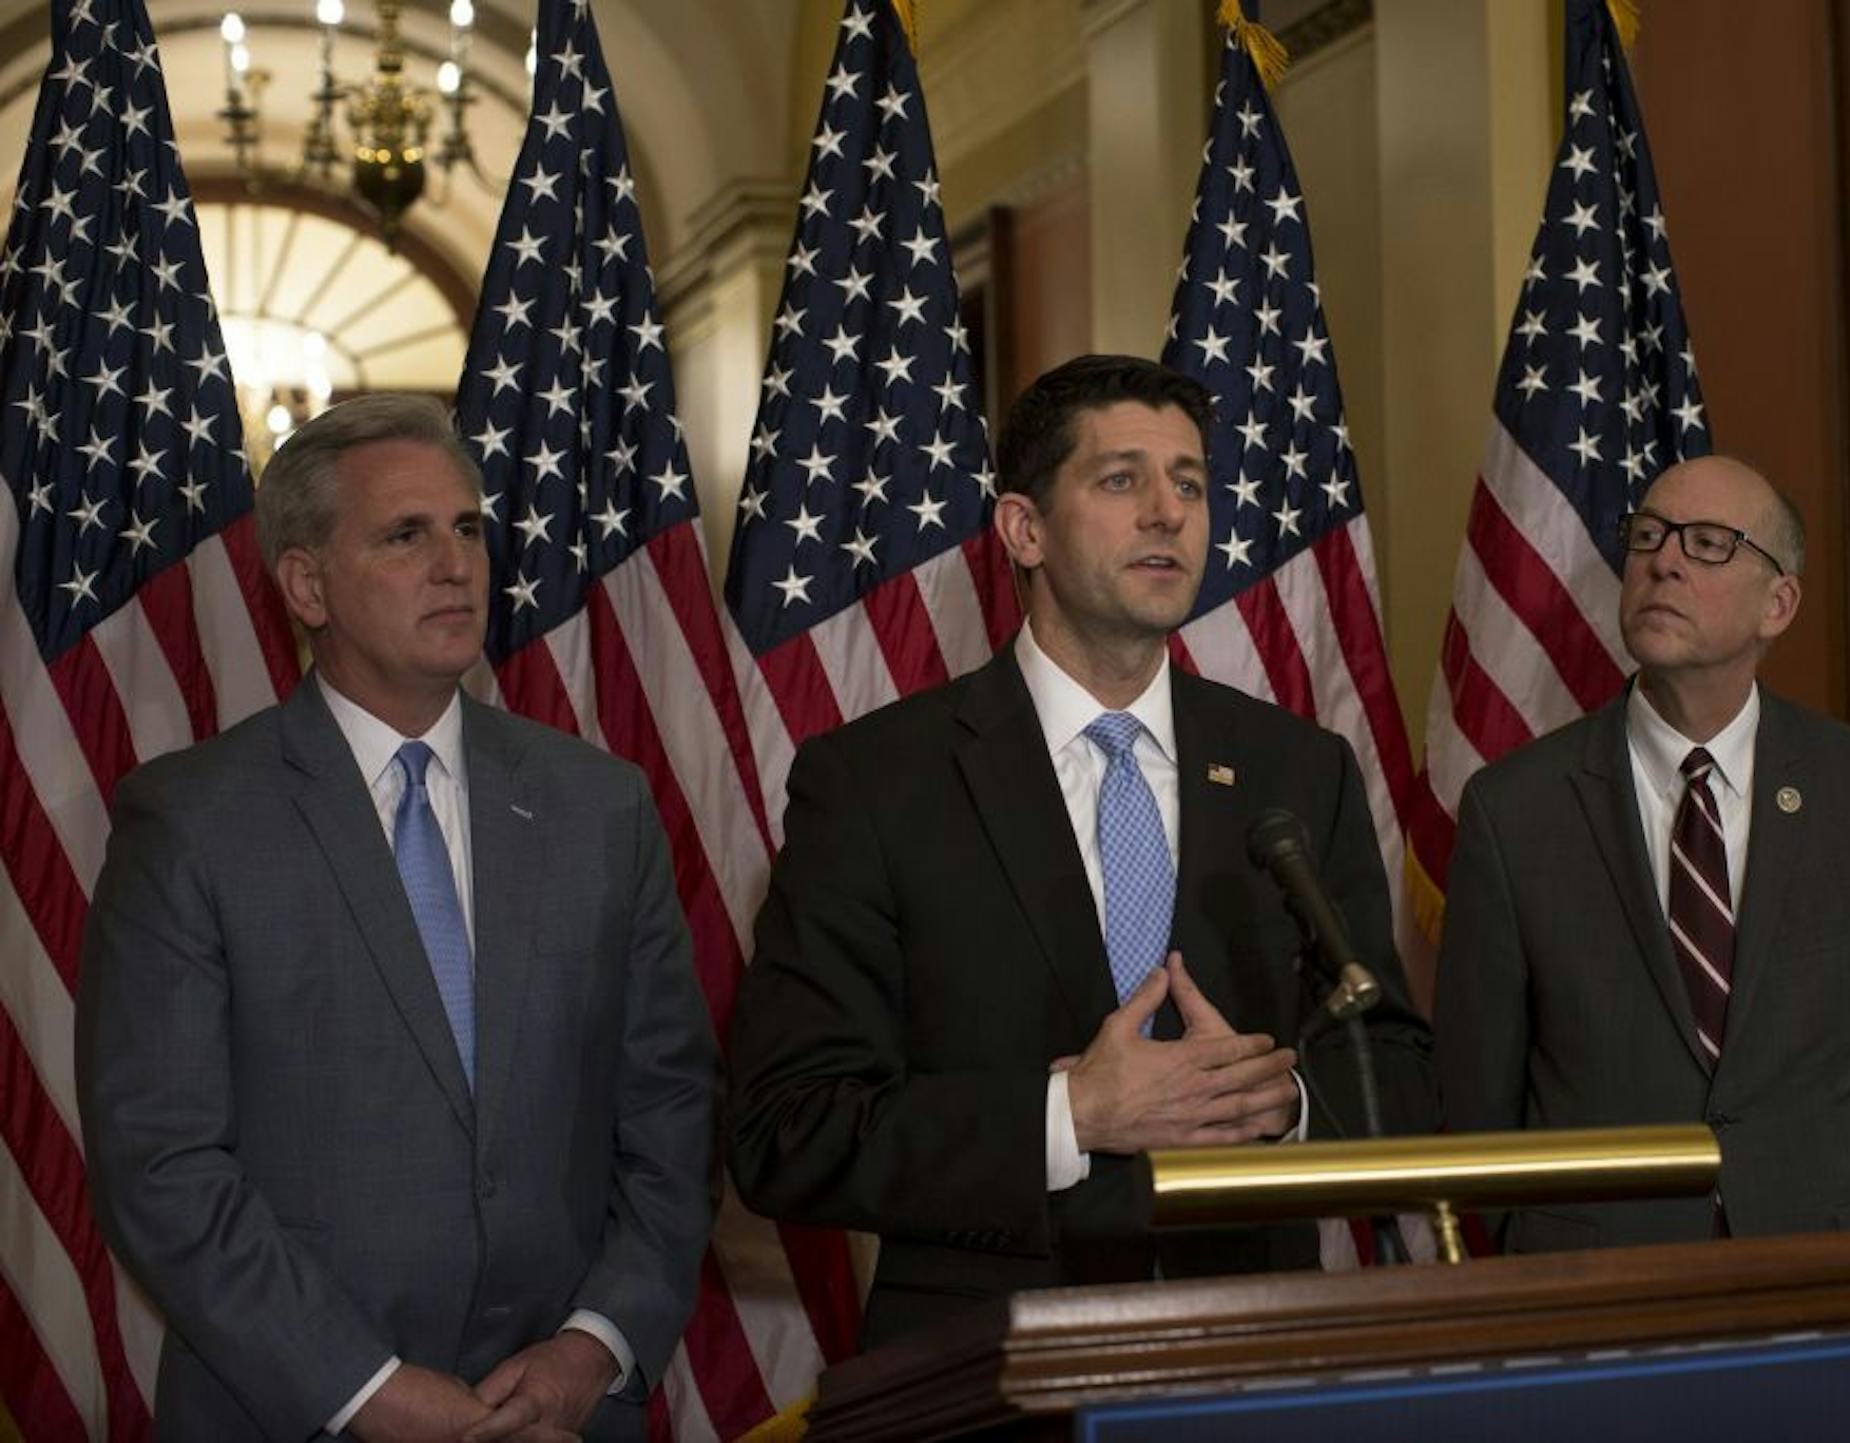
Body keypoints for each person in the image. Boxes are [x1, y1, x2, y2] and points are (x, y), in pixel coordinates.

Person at [727, 354, 1434, 1347]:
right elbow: (787, 1131)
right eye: (1121, 479)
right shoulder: (876, 782)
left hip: (1255, 1350)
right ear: (1024, 528)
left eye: (1189, 483)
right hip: (985, 1365)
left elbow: (1397, 1067)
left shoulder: (1294, 771)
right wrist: (1067, 1116)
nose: (1167, 512)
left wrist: (1286, 1105)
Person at [77, 395, 718, 1442]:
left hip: (563, 1412)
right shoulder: (191, 821)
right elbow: (163, 1163)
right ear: (307, 584)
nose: (456, 562)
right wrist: (364, 1389)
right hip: (295, 1412)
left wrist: (593, 1343)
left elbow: (672, 1114)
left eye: (467, 527)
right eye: (405, 534)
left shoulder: (602, 805)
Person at [1435, 454, 1850, 1250]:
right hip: (1594, 1283)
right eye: (1648, 534)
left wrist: (1849, 1217)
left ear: (1778, 603)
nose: (1665, 559)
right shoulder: (1513, 809)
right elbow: (1477, 1089)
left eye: (1709, 542)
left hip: (1818, 1270)